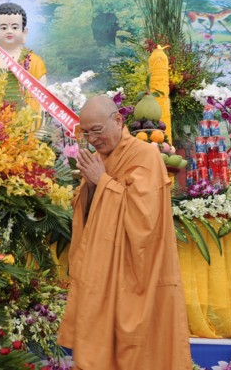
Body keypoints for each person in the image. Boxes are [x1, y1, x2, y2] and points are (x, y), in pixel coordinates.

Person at [56, 95, 191, 369]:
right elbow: (88, 215)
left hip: (138, 270)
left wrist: (101, 181)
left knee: (141, 350)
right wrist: (91, 186)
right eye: (86, 133)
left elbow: (145, 217)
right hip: (104, 271)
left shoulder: (145, 155)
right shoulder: (98, 160)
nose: (92, 139)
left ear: (118, 120)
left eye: (97, 130)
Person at [0, 2, 47, 112]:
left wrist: (40, 121)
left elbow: (43, 101)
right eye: (4, 28)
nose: (9, 31)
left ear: (24, 32)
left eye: (15, 27)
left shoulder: (35, 62)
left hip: (28, 118)